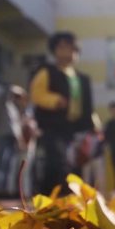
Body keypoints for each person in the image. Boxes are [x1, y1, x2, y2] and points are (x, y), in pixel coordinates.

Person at [30, 32, 94, 194]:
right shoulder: (47, 72)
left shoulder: (82, 78)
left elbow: (88, 107)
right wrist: (54, 100)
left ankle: (70, 197)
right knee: (55, 161)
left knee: (75, 165)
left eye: (72, 48)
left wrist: (93, 126)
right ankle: (49, 196)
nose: (67, 52)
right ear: (54, 50)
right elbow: (37, 94)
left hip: (75, 129)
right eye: (62, 47)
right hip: (53, 126)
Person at [0, 85, 37, 197]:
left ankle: (6, 189)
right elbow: (13, 127)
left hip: (11, 138)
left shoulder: (14, 109)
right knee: (3, 163)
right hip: (6, 137)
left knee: (10, 165)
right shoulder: (6, 105)